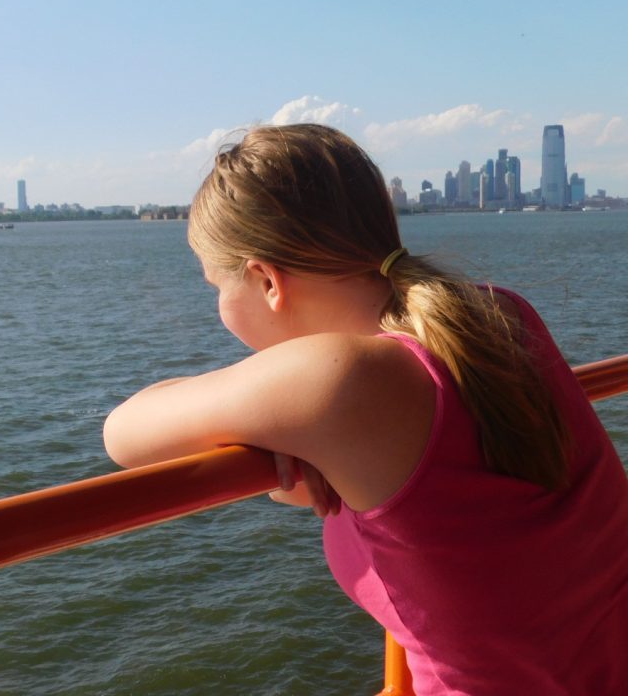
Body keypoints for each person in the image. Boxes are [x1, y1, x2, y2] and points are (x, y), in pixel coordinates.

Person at [103, 124, 628, 695]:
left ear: (265, 280)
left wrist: (281, 427)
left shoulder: (339, 382)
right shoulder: (500, 313)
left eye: (215, 287)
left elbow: (123, 433)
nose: (219, 308)